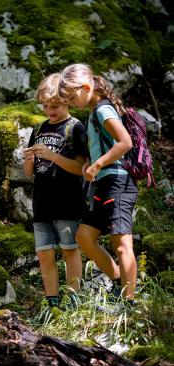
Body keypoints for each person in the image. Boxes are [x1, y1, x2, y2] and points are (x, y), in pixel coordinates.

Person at [58, 63, 138, 304]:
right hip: (103, 184)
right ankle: (118, 280)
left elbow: (125, 143)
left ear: (86, 87)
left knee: (121, 243)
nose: (72, 104)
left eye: (73, 97)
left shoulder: (103, 111)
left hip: (118, 182)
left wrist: (98, 164)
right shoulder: (95, 113)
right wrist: (90, 163)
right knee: (84, 236)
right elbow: (105, 146)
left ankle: (129, 302)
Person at [23, 73, 87, 309]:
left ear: (68, 101)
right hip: (41, 203)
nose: (50, 110)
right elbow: (29, 172)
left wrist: (52, 156)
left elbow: (81, 167)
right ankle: (52, 304)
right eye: (46, 106)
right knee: (44, 254)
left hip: (68, 202)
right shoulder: (39, 128)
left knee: (70, 249)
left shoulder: (75, 128)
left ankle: (73, 301)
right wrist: (28, 158)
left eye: (55, 106)